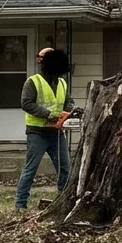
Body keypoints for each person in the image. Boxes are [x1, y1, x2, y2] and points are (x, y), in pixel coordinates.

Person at [15, 47, 75, 212]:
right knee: (31, 168)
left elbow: (69, 101)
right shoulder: (33, 82)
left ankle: (64, 200)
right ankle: (20, 204)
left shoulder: (62, 82)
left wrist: (67, 112)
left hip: (57, 133)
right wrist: (50, 115)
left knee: (65, 168)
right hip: (37, 132)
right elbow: (26, 103)